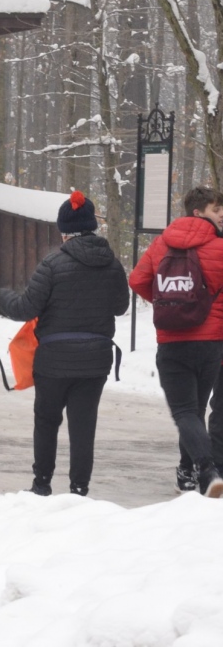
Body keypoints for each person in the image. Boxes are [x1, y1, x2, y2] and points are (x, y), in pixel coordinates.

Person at [0, 190, 129, 497]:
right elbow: (120, 307)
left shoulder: (52, 264)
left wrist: (1, 299)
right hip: (95, 361)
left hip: (54, 360)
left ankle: (42, 485)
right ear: (92, 227)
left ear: (64, 231)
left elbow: (26, 307)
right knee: (83, 425)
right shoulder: (113, 264)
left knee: (47, 421)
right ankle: (79, 489)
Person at [129, 186, 223, 497]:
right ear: (198, 212)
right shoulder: (219, 246)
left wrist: (166, 304)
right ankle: (190, 473)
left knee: (185, 412)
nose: (221, 215)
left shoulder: (161, 244)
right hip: (211, 342)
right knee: (194, 410)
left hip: (172, 342)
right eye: (216, 210)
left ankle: (205, 471)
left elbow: (138, 280)